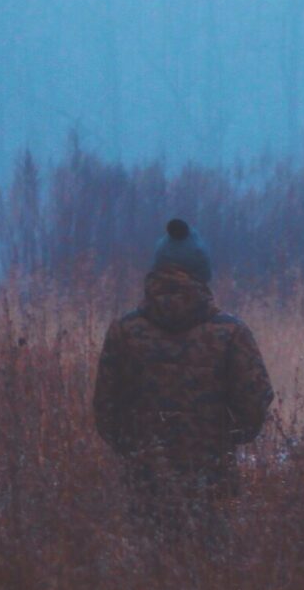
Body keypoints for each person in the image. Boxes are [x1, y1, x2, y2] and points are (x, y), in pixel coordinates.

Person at [92, 219, 273, 521]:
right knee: (209, 552)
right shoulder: (231, 333)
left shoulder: (124, 331)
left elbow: (105, 409)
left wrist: (135, 450)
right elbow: (255, 405)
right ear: (202, 273)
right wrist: (222, 442)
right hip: (212, 486)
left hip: (143, 484)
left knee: (145, 550)